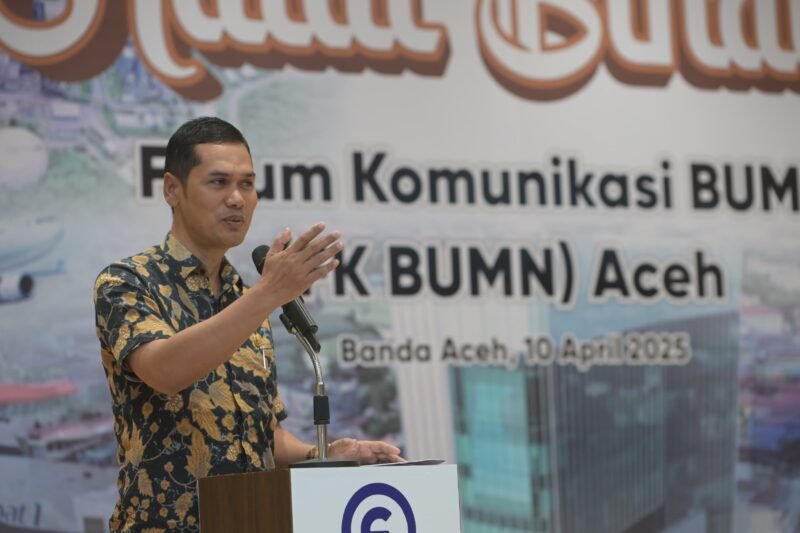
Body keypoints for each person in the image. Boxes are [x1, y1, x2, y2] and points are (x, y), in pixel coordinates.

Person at [94, 117, 402, 532]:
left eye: (247, 184)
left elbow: (259, 436)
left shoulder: (246, 297)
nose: (237, 199)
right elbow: (165, 371)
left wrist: (320, 455)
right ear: (172, 189)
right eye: (218, 183)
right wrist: (267, 294)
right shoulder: (127, 281)